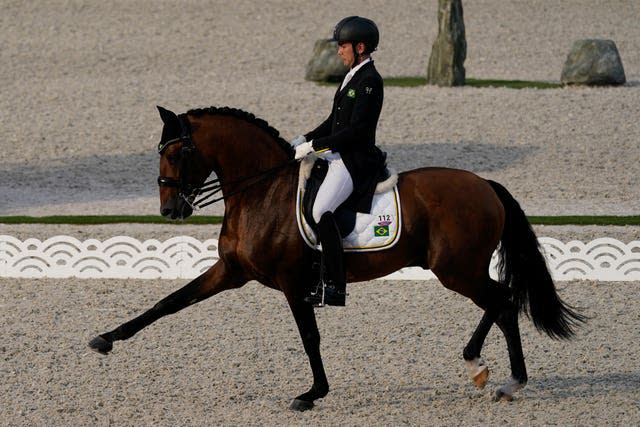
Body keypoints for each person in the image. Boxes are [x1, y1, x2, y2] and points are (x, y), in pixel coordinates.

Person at [292, 16, 387, 306]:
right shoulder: (353, 76)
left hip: (354, 160)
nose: (338, 51)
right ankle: (314, 276)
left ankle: (335, 286)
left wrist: (314, 146)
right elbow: (334, 121)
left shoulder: (369, 80)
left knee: (322, 211)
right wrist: (303, 138)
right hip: (339, 153)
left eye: (342, 46)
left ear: (360, 47)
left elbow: (355, 131)